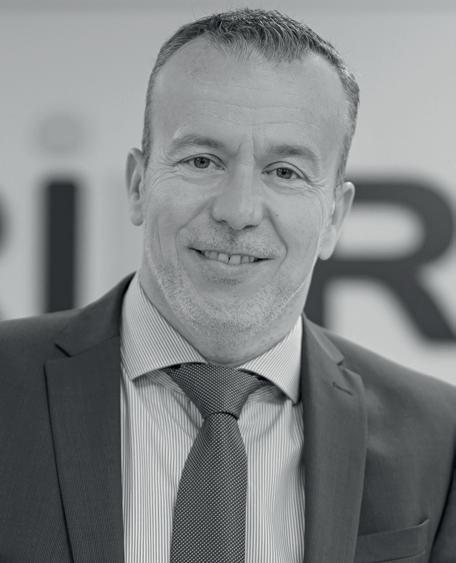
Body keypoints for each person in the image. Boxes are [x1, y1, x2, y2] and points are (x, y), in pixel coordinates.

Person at [0, 8, 455, 563]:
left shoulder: (439, 439)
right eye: (202, 161)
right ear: (138, 185)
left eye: (284, 172)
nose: (238, 211)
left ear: (335, 216)